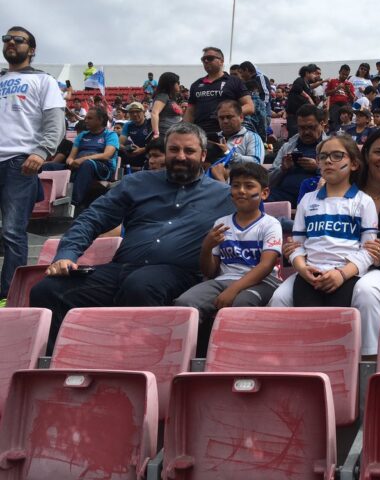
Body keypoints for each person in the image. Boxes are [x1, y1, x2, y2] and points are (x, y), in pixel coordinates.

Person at [30, 123, 235, 352]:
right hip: (122, 269)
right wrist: (67, 254)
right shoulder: (137, 183)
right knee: (48, 290)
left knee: (141, 284)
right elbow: (92, 219)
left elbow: (258, 224)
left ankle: (142, 363)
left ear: (203, 155)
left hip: (178, 274)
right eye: (174, 149)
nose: (180, 156)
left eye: (189, 151)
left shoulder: (225, 196)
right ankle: (62, 363)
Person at [270, 128, 380, 356]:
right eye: (378, 152)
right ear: (365, 156)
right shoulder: (316, 197)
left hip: (370, 269)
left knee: (366, 290)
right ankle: (285, 358)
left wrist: (379, 259)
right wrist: (299, 261)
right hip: (318, 268)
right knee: (280, 297)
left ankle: (368, 357)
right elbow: (299, 243)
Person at [0, 26, 65, 301]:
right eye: (7, 39)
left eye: (19, 39)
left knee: (12, 232)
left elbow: (56, 122)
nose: (11, 42)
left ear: (32, 49)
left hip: (19, 163)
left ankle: (8, 295)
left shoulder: (43, 80)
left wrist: (41, 152)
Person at [174, 163, 282, 320]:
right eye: (236, 186)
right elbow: (210, 272)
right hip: (223, 281)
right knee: (184, 303)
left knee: (242, 302)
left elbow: (266, 265)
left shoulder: (270, 224)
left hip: (264, 282)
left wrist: (233, 289)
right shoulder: (221, 223)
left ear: (264, 193)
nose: (241, 191)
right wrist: (206, 247)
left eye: (249, 186)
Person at [289, 135, 379, 307]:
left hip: (347, 276)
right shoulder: (307, 200)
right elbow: (296, 245)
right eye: (323, 157)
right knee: (305, 320)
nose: (328, 161)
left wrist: (342, 274)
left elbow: (369, 250)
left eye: (337, 155)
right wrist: (302, 269)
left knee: (338, 321)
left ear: (354, 164)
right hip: (309, 275)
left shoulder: (364, 202)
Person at [42, 108, 119, 207]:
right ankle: (42, 200)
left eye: (89, 118)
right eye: (85, 118)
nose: (85, 120)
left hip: (102, 168)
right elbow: (71, 157)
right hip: (78, 165)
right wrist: (70, 162)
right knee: (48, 167)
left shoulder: (110, 135)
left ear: (100, 120)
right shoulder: (82, 135)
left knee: (87, 164)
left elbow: (106, 155)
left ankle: (74, 203)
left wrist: (83, 159)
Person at [183, 47, 253, 148]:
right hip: (200, 135)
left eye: (210, 58)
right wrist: (184, 132)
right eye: (203, 59)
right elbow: (190, 112)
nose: (206, 61)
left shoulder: (234, 81)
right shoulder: (196, 84)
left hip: (227, 136)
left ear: (221, 61)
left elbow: (249, 106)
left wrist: (227, 115)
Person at [268, 104, 327, 207]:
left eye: (311, 127)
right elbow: (269, 179)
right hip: (284, 194)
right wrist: (282, 169)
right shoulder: (288, 146)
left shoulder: (331, 146)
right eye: (302, 128)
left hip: (317, 194)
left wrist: (317, 168)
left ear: (322, 125)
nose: (306, 132)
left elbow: (340, 177)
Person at [209, 100, 265, 182]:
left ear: (241, 117)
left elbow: (256, 164)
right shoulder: (213, 138)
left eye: (229, 117)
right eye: (221, 118)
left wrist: (229, 154)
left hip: (239, 186)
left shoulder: (251, 137)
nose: (225, 121)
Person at [238, 60, 271, 143]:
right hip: (253, 114)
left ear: (246, 70)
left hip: (262, 113)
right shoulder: (247, 82)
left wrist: (260, 106)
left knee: (259, 137)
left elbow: (266, 93)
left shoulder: (260, 77)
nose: (241, 75)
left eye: (241, 72)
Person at [285, 64, 321, 137]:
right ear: (307, 73)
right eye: (313, 74)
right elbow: (296, 87)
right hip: (294, 116)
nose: (315, 76)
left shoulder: (307, 85)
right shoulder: (300, 80)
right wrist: (308, 97)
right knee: (294, 136)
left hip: (303, 117)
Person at [150, 71, 183, 140]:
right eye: (177, 82)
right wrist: (156, 133)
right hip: (165, 134)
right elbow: (154, 113)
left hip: (173, 133)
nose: (179, 85)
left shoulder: (171, 98)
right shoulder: (163, 96)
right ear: (170, 84)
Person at [120, 102, 151, 170]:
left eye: (137, 111)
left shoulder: (150, 124)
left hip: (148, 153)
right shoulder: (128, 125)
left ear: (143, 112)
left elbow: (156, 145)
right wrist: (126, 149)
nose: (134, 114)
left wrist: (142, 150)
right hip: (134, 154)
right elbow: (119, 144)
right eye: (131, 112)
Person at [326, 64, 356, 131]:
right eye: (343, 74)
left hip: (345, 105)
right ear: (339, 72)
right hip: (334, 105)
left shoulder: (349, 84)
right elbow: (327, 93)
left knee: (347, 122)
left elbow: (353, 98)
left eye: (346, 75)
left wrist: (348, 91)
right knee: (334, 122)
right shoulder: (332, 81)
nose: (344, 76)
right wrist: (336, 88)